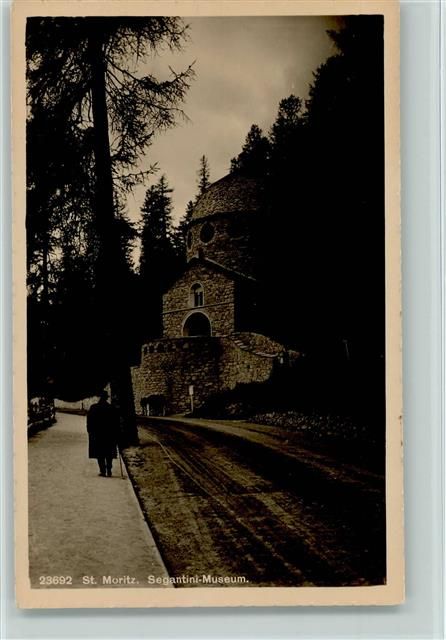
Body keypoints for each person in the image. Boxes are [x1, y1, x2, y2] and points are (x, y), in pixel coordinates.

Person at [86, 390, 120, 477]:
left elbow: (89, 422)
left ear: (99, 397)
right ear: (106, 398)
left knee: (100, 453)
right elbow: (116, 423)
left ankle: (102, 470)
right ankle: (109, 469)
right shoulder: (112, 408)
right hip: (109, 434)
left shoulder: (94, 408)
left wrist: (90, 431)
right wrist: (117, 433)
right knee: (108, 452)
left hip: (97, 434)